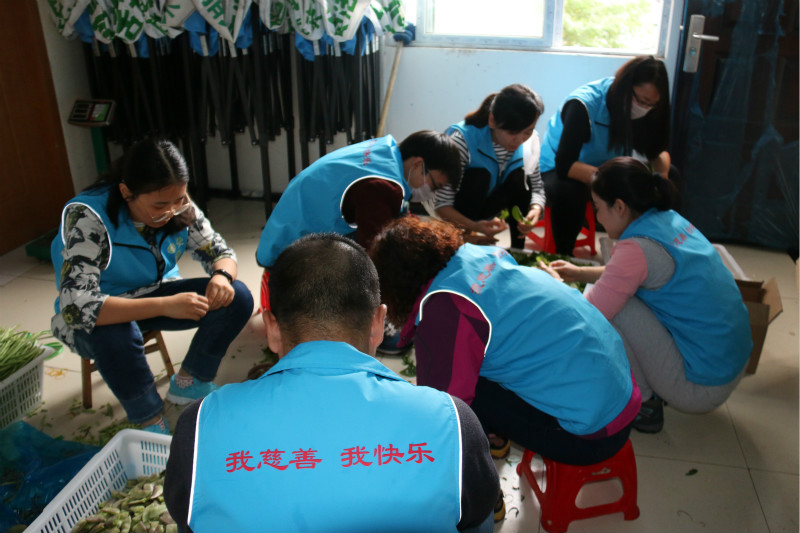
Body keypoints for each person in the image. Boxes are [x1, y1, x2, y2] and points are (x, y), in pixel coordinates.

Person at [164, 233, 500, 533]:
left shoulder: (199, 423)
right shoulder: (452, 419)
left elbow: (183, 512)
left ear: (272, 329)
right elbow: (477, 507)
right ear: (378, 324)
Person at [369, 217, 640, 466]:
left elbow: (447, 410)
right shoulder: (478, 255)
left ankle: (482, 477)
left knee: (462, 399)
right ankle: (494, 435)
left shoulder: (444, 310)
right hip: (622, 391)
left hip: (593, 434)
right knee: (477, 365)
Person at [49, 139, 254, 435]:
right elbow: (77, 306)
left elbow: (219, 251)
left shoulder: (176, 201)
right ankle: (148, 418)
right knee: (116, 333)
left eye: (179, 200)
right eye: (159, 205)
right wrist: (165, 305)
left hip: (154, 290)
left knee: (237, 297)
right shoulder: (87, 216)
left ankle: (190, 382)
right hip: (100, 311)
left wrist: (221, 276)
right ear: (126, 192)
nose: (171, 211)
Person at [549, 157, 752, 433]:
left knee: (616, 308)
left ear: (619, 207)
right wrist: (579, 272)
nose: (597, 217)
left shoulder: (637, 249)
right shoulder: (667, 220)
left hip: (702, 387)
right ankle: (652, 388)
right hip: (730, 365)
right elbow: (629, 273)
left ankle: (645, 404)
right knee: (619, 294)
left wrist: (555, 288)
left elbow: (589, 315)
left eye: (597, 207)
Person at [255, 130, 461, 354]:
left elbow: (396, 217)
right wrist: (398, 304)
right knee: (382, 260)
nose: (431, 194)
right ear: (418, 164)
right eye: (434, 185)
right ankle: (371, 323)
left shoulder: (386, 153)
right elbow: (379, 254)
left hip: (289, 233)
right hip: (290, 257)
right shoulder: (380, 186)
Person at [540, 55, 677, 255]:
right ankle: (563, 255)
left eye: (652, 104)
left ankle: (659, 246)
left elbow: (657, 152)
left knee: (671, 176)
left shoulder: (645, 110)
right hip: (560, 168)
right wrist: (611, 181)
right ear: (625, 88)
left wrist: (661, 178)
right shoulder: (584, 105)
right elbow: (565, 165)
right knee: (569, 192)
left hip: (606, 169)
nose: (645, 108)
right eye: (642, 101)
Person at [435, 84, 546, 248]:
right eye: (512, 133)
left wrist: (535, 209)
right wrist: (474, 227)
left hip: (489, 203)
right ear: (492, 120)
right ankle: (461, 238)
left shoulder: (529, 143)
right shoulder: (462, 142)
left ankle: (517, 249)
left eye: (528, 131)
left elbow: (537, 188)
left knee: (520, 177)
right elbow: (442, 204)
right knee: (480, 176)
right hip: (457, 206)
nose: (520, 140)